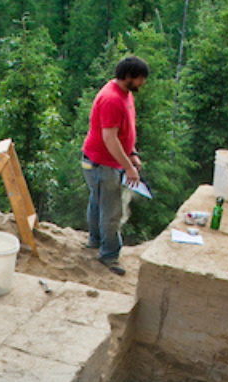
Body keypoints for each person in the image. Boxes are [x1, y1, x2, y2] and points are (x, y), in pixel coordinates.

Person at [81, 56, 150, 276]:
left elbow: (125, 132)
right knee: (111, 211)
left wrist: (133, 153)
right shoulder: (111, 99)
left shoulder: (125, 94)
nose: (142, 83)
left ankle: (95, 240)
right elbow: (110, 139)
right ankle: (109, 254)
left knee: (98, 201)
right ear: (128, 77)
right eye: (140, 79)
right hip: (102, 164)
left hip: (105, 162)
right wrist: (128, 167)